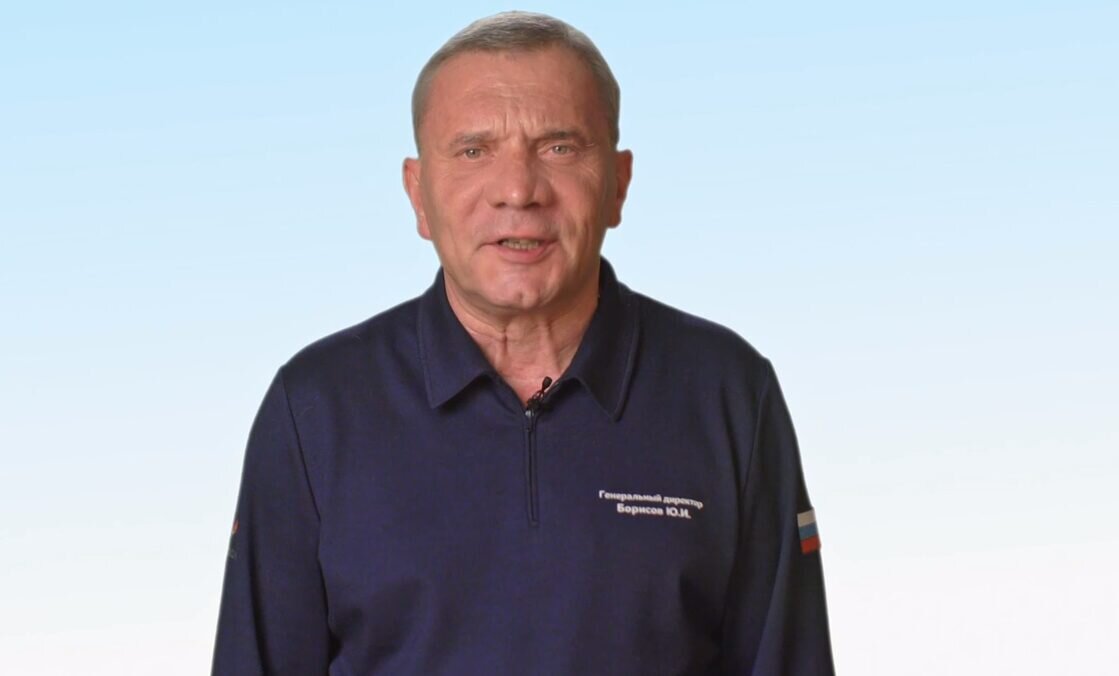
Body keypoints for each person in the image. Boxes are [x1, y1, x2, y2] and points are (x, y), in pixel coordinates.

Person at [212, 11, 834, 675]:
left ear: (619, 184)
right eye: (473, 151)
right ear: (418, 195)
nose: (518, 190)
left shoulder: (728, 393)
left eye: (559, 148)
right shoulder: (315, 408)